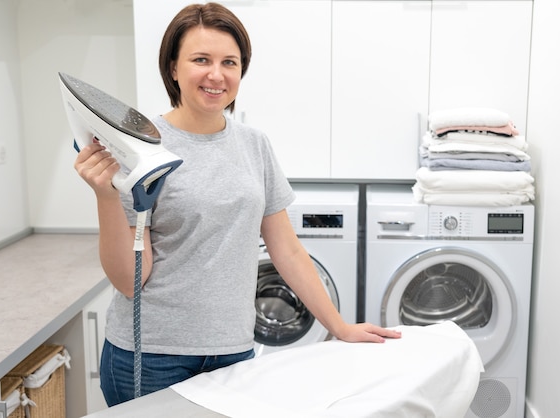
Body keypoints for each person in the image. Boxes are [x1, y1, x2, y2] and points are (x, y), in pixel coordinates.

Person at [74, 2, 401, 406]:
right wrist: (106, 196)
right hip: (154, 356)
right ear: (173, 68)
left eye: (229, 61)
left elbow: (288, 250)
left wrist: (338, 325)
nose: (216, 74)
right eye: (200, 59)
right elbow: (130, 281)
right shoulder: (141, 147)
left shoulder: (253, 144)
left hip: (234, 353)